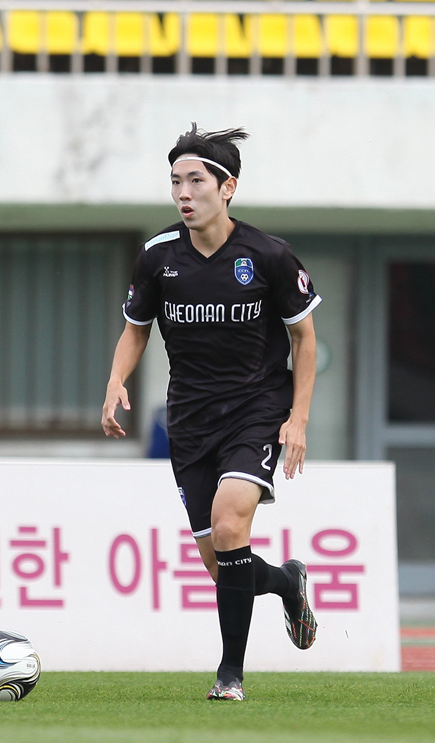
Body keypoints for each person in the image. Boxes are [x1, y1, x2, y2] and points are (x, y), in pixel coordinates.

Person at [101, 125, 321, 701]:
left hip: (257, 408)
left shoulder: (269, 256)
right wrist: (116, 381)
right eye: (176, 181)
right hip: (190, 419)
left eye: (196, 180)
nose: (184, 193)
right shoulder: (158, 257)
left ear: (228, 188)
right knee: (223, 563)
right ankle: (287, 582)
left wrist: (297, 417)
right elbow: (136, 329)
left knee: (229, 525)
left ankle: (230, 676)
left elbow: (305, 339)